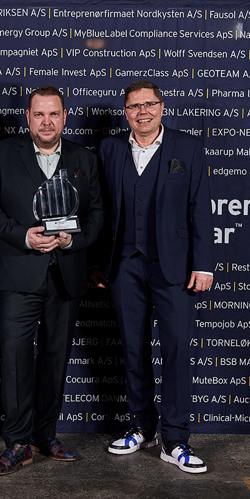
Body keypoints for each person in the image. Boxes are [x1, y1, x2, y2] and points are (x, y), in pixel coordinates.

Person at [0, 85, 104, 475]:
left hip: (66, 275)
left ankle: (44, 435)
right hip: (18, 272)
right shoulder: (2, 153)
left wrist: (72, 238)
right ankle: (16, 443)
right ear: (27, 117)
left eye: (54, 114)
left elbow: (97, 212)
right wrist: (21, 234)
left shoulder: (84, 158)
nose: (46, 121)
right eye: (38, 114)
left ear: (65, 116)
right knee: (15, 360)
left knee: (54, 359)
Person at [92, 80, 214, 474]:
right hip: (125, 264)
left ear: (162, 107)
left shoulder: (188, 146)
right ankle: (141, 425)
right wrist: (99, 262)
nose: (142, 112)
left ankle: (175, 438)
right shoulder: (110, 148)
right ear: (125, 112)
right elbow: (102, 210)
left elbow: (201, 208)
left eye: (149, 104)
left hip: (175, 267)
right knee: (133, 349)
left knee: (177, 349)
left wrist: (204, 263)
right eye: (134, 107)